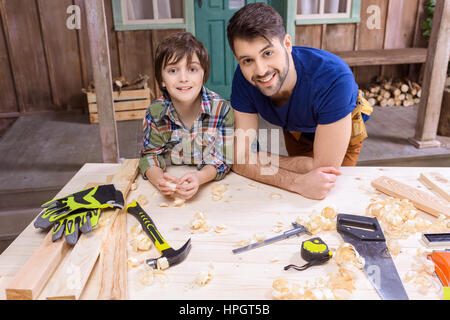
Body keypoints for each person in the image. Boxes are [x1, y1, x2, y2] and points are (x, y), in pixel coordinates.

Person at [227, 3, 372, 200]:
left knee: (327, 194)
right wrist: (296, 179)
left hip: (342, 127)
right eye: (247, 60)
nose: (260, 70)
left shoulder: (334, 77)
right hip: (296, 129)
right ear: (238, 60)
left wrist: (256, 159)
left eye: (268, 53)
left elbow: (323, 171)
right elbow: (239, 159)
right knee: (297, 192)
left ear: (287, 44)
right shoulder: (244, 77)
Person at [139, 32, 234, 200]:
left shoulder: (221, 110)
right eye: (173, 70)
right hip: (176, 176)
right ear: (162, 79)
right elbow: (150, 155)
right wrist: (160, 180)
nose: (183, 78)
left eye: (192, 69)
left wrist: (199, 178)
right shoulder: (155, 113)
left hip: (213, 186)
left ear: (203, 74)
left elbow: (223, 159)